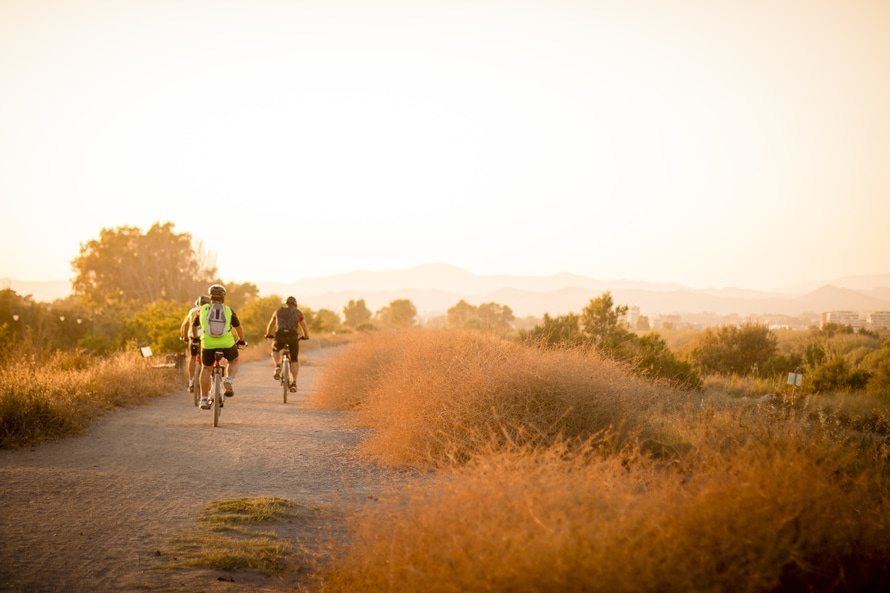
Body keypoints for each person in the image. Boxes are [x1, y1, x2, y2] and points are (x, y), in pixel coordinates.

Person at [194, 284, 246, 409]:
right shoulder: (228, 310)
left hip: (207, 344)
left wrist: (196, 338)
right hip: (226, 344)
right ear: (223, 297)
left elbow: (194, 325)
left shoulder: (202, 309)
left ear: (210, 296)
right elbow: (239, 328)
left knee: (206, 368)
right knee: (234, 360)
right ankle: (228, 379)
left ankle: (204, 399)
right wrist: (241, 340)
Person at [264, 296, 310, 391]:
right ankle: (294, 383)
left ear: (286, 303)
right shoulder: (298, 312)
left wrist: (268, 333)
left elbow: (271, 323)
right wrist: (306, 335)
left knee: (275, 349)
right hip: (293, 337)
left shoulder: (278, 311)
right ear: (295, 304)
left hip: (280, 335)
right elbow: (303, 325)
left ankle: (277, 366)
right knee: (294, 359)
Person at [179, 295, 210, 393]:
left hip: (193, 337)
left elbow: (185, 325)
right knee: (208, 361)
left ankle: (191, 381)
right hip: (206, 338)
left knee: (192, 357)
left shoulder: (192, 311)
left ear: (197, 303)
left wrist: (184, 337)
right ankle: (212, 381)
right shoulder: (210, 310)